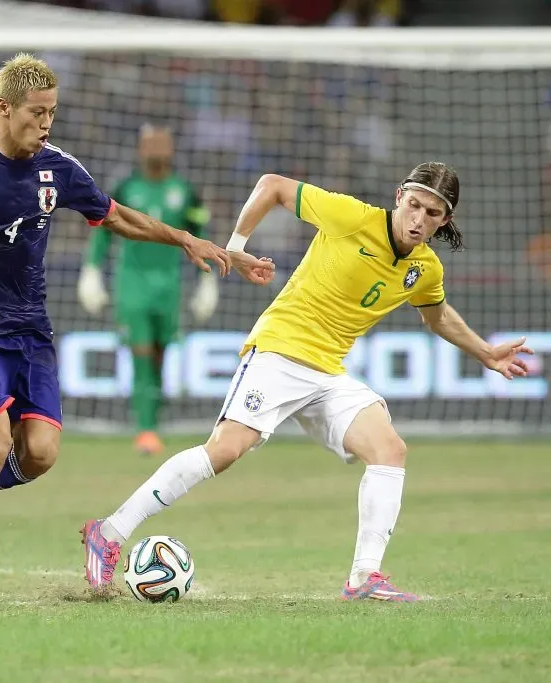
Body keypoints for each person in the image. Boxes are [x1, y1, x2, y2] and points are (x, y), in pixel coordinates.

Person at [0, 54, 274, 603]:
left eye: (52, 112)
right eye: (36, 112)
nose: (46, 123)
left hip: (33, 332)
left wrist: (185, 239)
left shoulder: (59, 168)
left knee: (40, 454)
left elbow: (115, 216)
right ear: (3, 108)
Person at [81, 162, 532, 602]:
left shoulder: (426, 268)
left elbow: (437, 315)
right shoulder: (352, 217)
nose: (419, 219)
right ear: (399, 197)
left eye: (432, 214)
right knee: (224, 450)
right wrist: (236, 247)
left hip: (328, 373)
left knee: (389, 450)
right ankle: (109, 531)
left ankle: (363, 578)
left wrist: (486, 352)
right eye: (414, 205)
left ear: (445, 219)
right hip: (279, 351)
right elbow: (272, 185)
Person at [78, 124, 217, 455]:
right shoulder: (125, 189)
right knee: (140, 353)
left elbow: (201, 231)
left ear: (170, 148)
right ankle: (145, 429)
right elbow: (103, 230)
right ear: (140, 149)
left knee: (160, 355)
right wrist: (91, 270)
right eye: (148, 144)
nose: (154, 150)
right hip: (133, 284)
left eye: (161, 143)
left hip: (169, 286)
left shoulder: (185, 192)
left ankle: (152, 421)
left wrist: (207, 282)